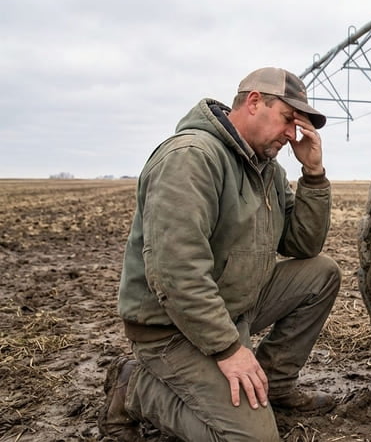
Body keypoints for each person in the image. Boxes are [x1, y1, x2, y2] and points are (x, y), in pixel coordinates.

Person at [99, 67, 342, 441]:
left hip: (234, 307)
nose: (292, 134)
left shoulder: (267, 170)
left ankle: (273, 386)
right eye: (288, 119)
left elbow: (303, 246)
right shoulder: (191, 158)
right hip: (172, 330)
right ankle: (134, 388)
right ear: (254, 102)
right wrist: (230, 350)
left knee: (321, 273)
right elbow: (176, 273)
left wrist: (313, 173)